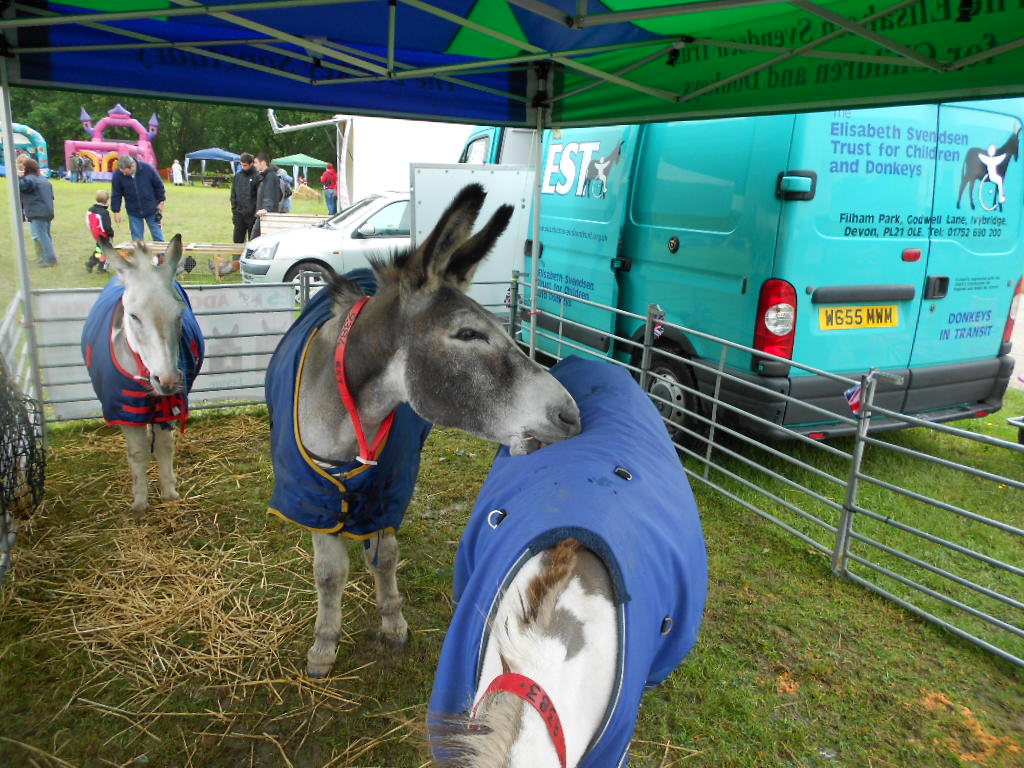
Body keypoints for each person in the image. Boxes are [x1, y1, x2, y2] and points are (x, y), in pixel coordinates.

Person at [211, 152, 260, 278]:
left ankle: (251, 265)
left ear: (251, 164)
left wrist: (255, 213)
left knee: (253, 242)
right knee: (237, 240)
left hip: (252, 216)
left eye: (246, 165)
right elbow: (233, 195)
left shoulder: (257, 177)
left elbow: (259, 197)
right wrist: (234, 211)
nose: (244, 167)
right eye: (242, 165)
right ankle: (234, 265)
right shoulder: (238, 176)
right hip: (239, 215)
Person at [110, 154, 166, 241]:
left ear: (132, 166)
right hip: (133, 211)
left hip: (152, 209)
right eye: (122, 172)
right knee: (137, 240)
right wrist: (116, 211)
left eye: (126, 172)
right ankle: (139, 250)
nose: (123, 174)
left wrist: (161, 201)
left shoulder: (148, 168)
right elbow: (116, 193)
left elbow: (159, 185)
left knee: (158, 236)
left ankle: (162, 250)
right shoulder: (118, 174)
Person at [17, 157, 57, 268]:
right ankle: (47, 256)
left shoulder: (29, 179)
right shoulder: (44, 179)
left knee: (42, 236)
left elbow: (23, 187)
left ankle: (50, 259)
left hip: (37, 211)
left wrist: (19, 177)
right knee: (46, 235)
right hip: (47, 210)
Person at [249, 152, 288, 239]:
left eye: (256, 162)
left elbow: (269, 194)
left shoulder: (270, 176)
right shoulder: (265, 176)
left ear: (263, 163)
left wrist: (266, 209)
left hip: (265, 215)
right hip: (264, 214)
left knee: (254, 241)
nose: (254, 165)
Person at [85, 188, 114, 273]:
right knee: (108, 251)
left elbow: (88, 221)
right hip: (104, 236)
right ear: (107, 201)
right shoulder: (104, 213)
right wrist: (111, 233)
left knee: (99, 249)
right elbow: (106, 226)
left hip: (96, 234)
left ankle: (91, 263)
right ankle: (102, 268)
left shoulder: (90, 210)